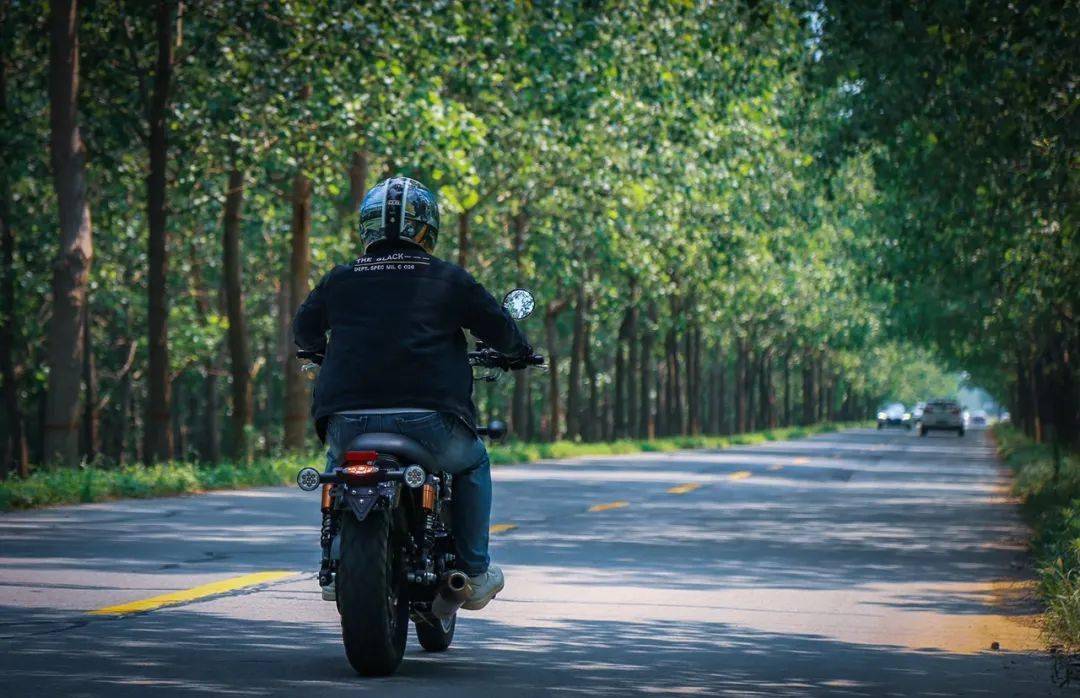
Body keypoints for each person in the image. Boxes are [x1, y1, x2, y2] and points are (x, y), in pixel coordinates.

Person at [292, 176, 531, 611]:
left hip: (347, 420)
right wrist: (518, 352)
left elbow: (304, 330)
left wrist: (319, 351)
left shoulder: (340, 279)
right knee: (473, 462)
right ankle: (474, 571)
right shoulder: (448, 278)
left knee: (337, 465)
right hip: (429, 421)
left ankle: (335, 561)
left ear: (366, 225)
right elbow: (499, 328)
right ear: (427, 228)